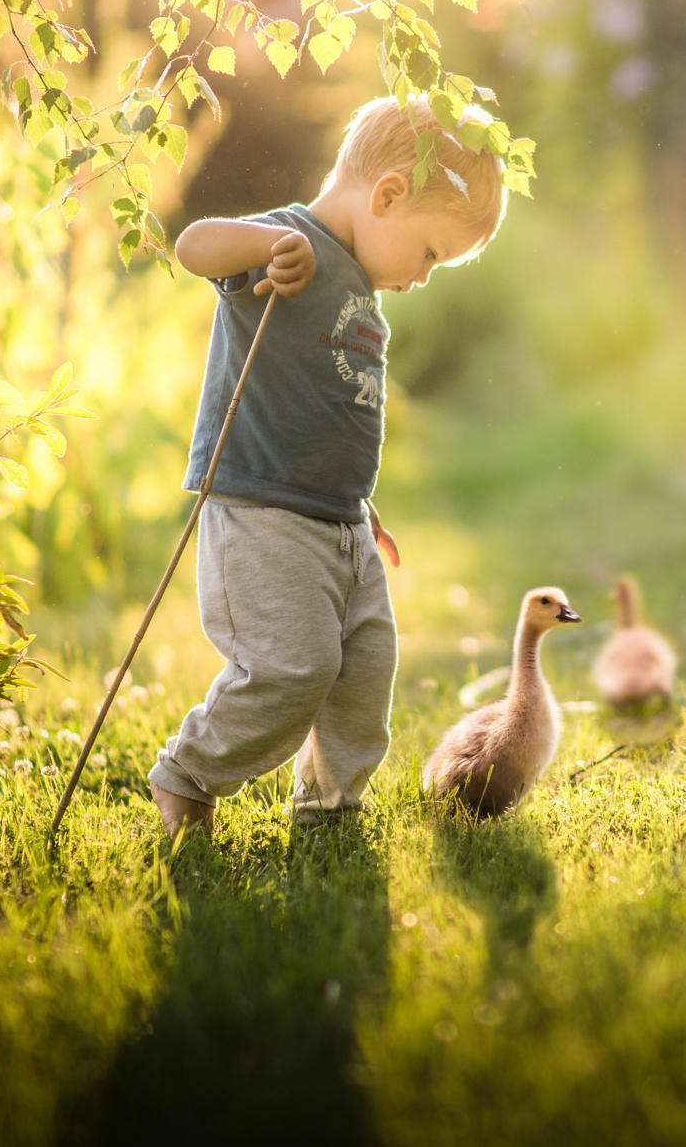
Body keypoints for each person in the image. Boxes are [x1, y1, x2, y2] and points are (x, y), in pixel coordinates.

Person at [147, 96, 504, 835]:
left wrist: (359, 500)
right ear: (388, 195)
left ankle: (331, 805)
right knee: (293, 667)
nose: (427, 276)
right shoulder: (289, 241)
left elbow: (331, 406)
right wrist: (263, 247)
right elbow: (193, 245)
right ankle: (189, 773)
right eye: (433, 253)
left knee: (365, 671)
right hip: (263, 510)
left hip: (339, 520)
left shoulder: (365, 292)